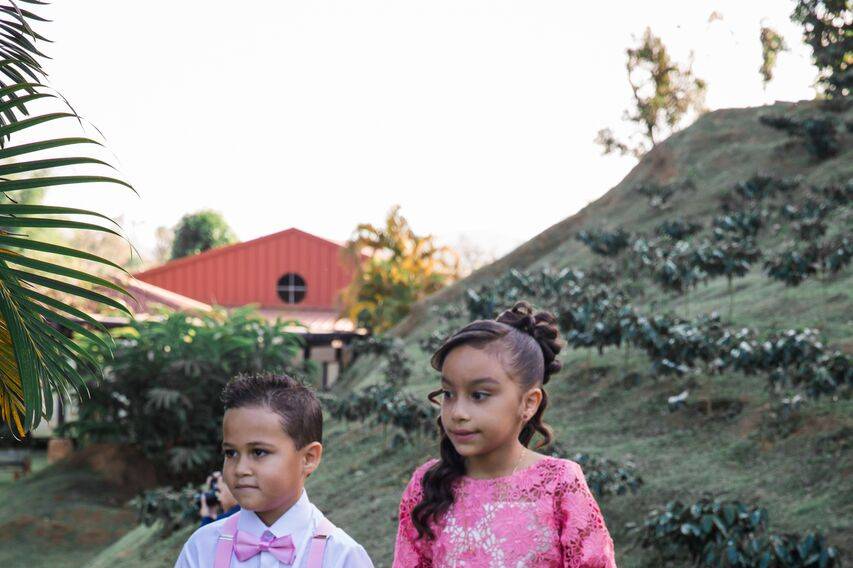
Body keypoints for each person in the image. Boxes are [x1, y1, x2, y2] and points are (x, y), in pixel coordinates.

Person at [392, 301, 617, 567]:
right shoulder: (426, 487)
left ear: (529, 403)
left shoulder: (559, 484)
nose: (458, 412)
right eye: (449, 394)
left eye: (479, 395)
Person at [176, 373, 374, 568]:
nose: (240, 469)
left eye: (259, 452)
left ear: (308, 458)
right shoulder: (202, 548)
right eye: (231, 453)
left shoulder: (342, 557)